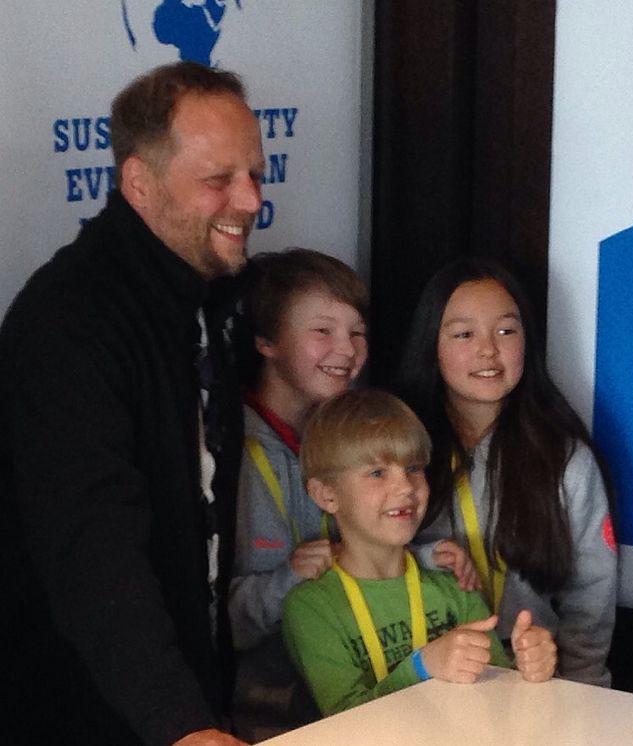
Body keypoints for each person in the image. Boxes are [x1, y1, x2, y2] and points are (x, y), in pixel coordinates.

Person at [0, 61, 265, 746]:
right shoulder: (66, 323)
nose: (248, 200)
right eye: (218, 181)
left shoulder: (212, 292)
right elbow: (92, 547)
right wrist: (181, 725)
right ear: (138, 184)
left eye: (255, 175)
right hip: (82, 713)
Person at [395, 257, 618, 687]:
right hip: (422, 677)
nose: (487, 350)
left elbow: (592, 596)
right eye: (464, 334)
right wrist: (428, 557)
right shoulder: (396, 447)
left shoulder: (563, 457)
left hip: (531, 680)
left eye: (506, 330)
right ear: (430, 344)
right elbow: (361, 552)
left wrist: (580, 694)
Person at [281, 389, 556, 717]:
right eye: (377, 473)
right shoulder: (311, 608)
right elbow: (345, 721)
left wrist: (528, 667)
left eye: (413, 468)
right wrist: (422, 666)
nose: (405, 487)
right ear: (326, 494)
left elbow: (496, 692)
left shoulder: (454, 585)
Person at [228, 248, 368, 724]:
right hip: (259, 718)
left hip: (352, 699)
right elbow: (215, 619)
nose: (347, 350)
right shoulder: (226, 450)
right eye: (323, 331)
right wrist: (290, 578)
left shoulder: (357, 435)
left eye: (357, 333)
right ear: (266, 341)